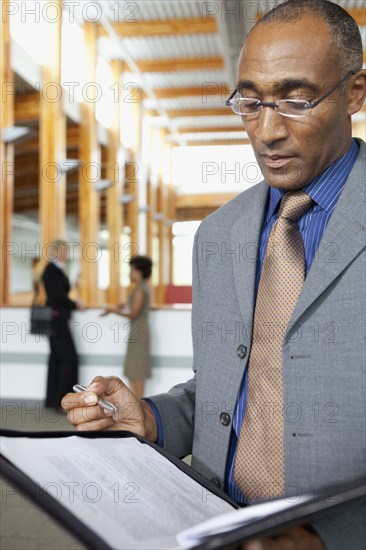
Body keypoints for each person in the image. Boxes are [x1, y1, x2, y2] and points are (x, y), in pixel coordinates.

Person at [62, 1, 366, 548]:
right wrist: (154, 419)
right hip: (213, 525)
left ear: (355, 92)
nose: (267, 131)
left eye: (295, 99)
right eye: (249, 101)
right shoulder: (218, 235)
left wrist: (331, 536)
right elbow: (230, 389)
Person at [100, 255, 152, 398]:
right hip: (136, 332)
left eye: (132, 270)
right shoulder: (140, 287)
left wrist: (112, 310)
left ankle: (139, 406)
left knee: (138, 373)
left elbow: (133, 314)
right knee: (132, 371)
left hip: (139, 333)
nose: (131, 273)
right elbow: (131, 303)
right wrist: (119, 306)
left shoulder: (141, 289)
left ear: (139, 271)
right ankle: (134, 405)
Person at [42, 239, 85, 409]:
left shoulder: (58, 269)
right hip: (56, 321)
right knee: (68, 359)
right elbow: (59, 296)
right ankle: (61, 400)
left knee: (57, 359)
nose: (67, 254)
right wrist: (75, 304)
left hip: (58, 319)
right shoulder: (51, 270)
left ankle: (54, 401)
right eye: (65, 250)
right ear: (56, 251)